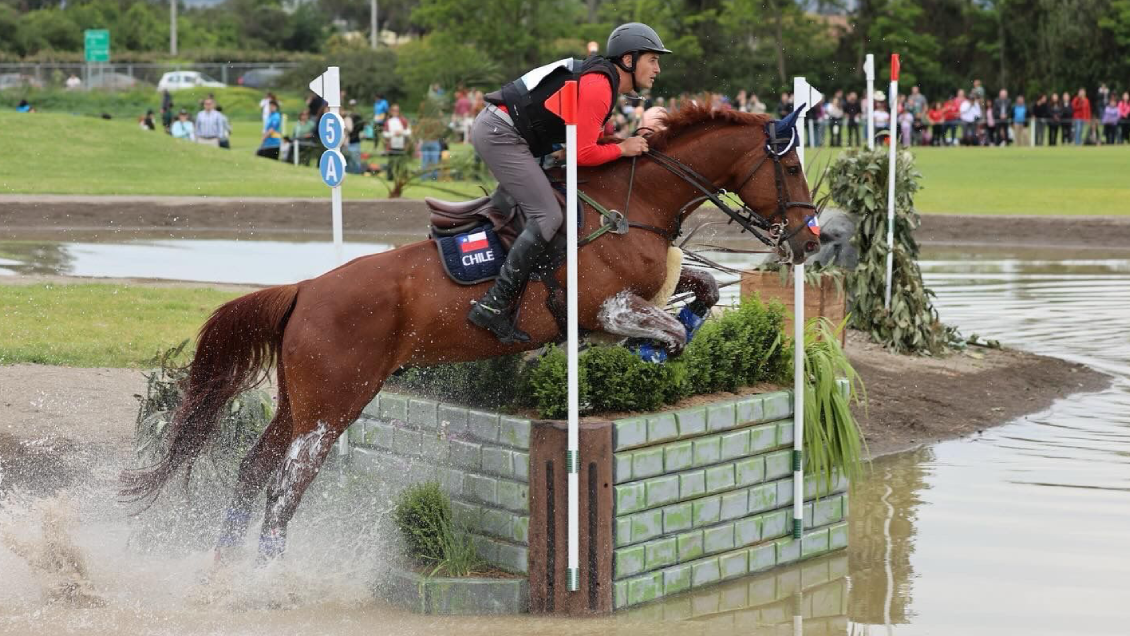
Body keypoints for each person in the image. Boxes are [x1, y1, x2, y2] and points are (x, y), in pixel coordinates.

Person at [466, 22, 669, 344]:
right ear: (629, 59)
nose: (658, 69)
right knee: (548, 216)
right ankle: (494, 304)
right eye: (653, 60)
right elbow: (583, 153)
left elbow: (587, 142)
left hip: (511, 133)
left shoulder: (605, 82)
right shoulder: (600, 85)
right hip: (502, 134)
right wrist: (623, 147)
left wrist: (624, 143)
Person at [382, 103, 411, 178]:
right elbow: (385, 134)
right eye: (394, 110)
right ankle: (390, 176)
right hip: (392, 145)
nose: (395, 112)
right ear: (391, 111)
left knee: (401, 162)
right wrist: (393, 134)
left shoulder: (403, 120)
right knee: (391, 162)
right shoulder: (388, 121)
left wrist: (401, 132)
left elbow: (408, 131)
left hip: (402, 145)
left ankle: (400, 176)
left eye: (397, 110)